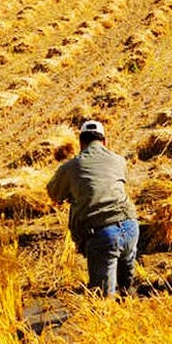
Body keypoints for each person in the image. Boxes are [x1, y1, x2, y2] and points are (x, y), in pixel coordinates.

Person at [47, 120, 139, 297]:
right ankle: (131, 307)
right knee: (127, 289)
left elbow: (53, 193)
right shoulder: (119, 160)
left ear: (81, 143)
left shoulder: (71, 167)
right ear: (104, 141)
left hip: (103, 235)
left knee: (103, 299)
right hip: (131, 228)